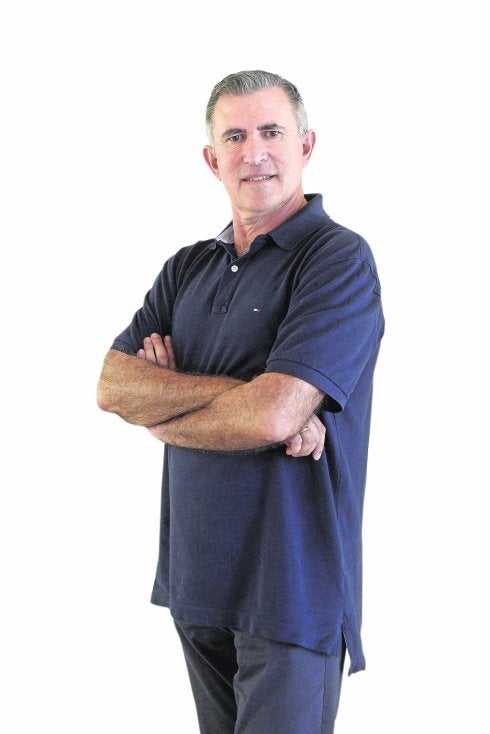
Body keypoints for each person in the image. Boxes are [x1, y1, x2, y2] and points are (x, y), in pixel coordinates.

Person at [97, 69, 384, 734]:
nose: (254, 152)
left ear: (305, 145)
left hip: (292, 592)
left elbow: (272, 414)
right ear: (212, 158)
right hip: (197, 582)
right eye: (235, 137)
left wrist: (166, 413)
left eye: (271, 132)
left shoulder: (337, 260)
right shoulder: (187, 268)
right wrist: (250, 400)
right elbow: (112, 386)